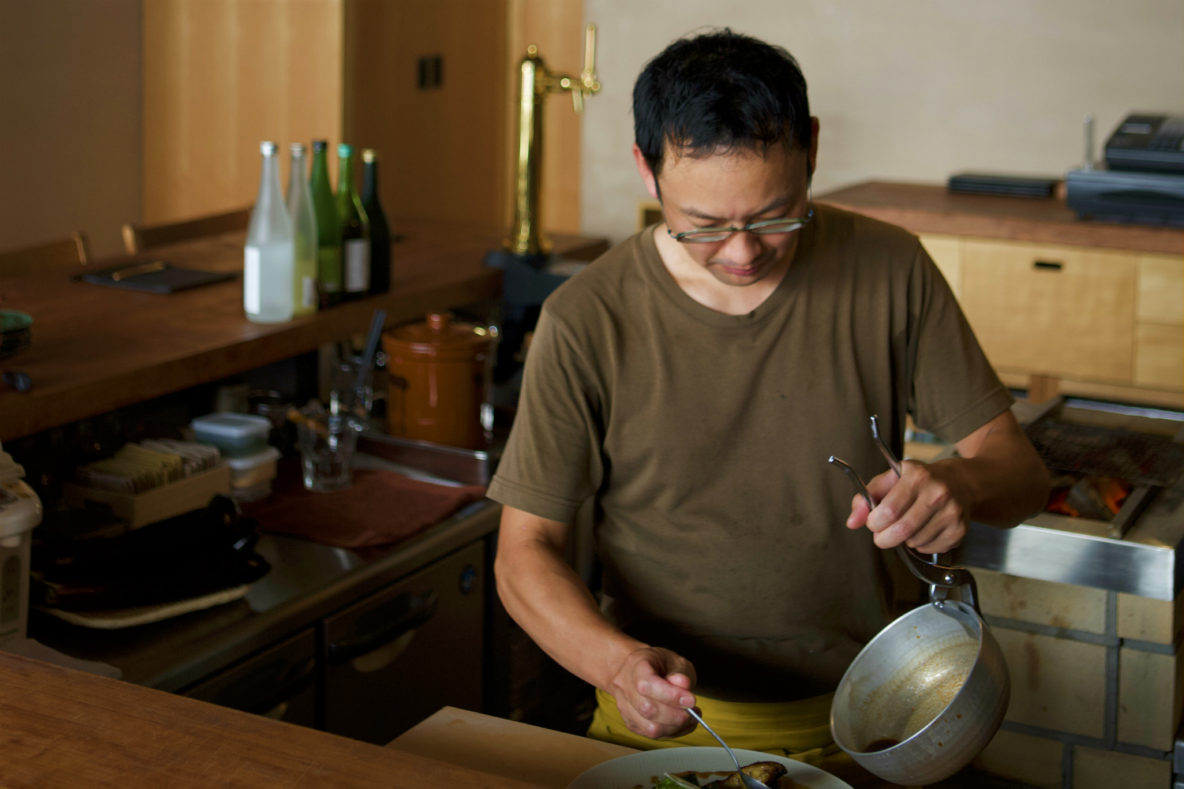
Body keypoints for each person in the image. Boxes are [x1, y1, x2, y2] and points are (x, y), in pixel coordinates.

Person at [488, 27, 1049, 770]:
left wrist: (961, 484)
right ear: (647, 172)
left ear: (811, 149)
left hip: (878, 716)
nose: (743, 252)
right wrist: (616, 666)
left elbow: (1021, 471)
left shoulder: (889, 268)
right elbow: (524, 553)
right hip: (667, 731)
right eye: (703, 227)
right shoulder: (588, 317)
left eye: (776, 215)